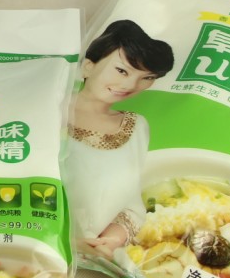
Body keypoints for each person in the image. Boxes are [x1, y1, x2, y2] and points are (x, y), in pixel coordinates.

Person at [65, 20, 174, 260]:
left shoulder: (136, 127)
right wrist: (63, 240)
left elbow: (131, 205)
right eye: (122, 71)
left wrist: (111, 240)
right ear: (88, 66)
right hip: (26, 245)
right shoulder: (48, 105)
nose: (130, 85)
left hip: (94, 258)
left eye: (147, 77)